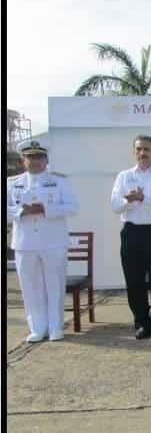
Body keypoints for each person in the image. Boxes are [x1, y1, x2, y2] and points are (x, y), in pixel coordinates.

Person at [7, 140, 78, 342]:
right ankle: (37, 328)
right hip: (25, 243)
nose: (35, 161)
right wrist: (22, 210)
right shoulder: (13, 183)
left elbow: (72, 206)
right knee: (30, 287)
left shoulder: (59, 181)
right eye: (30, 157)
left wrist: (46, 209)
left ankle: (56, 327)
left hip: (53, 241)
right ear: (23, 160)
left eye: (39, 157)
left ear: (46, 160)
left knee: (55, 285)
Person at [111, 135, 151, 339]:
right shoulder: (124, 176)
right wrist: (129, 200)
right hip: (132, 232)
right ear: (134, 152)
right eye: (139, 149)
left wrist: (144, 198)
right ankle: (141, 322)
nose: (142, 153)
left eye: (147, 149)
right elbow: (115, 205)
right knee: (134, 280)